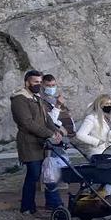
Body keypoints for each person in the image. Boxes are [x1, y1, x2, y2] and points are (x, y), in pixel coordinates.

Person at [11, 70, 62, 220]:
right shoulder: (20, 99)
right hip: (28, 142)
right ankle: (26, 209)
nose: (38, 85)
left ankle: (31, 208)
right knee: (32, 175)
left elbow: (46, 118)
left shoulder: (36, 97)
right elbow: (27, 123)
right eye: (35, 82)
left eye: (40, 82)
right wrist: (49, 133)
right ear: (27, 82)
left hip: (40, 141)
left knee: (36, 175)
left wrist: (55, 131)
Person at [40, 74, 73, 211]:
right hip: (49, 140)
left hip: (61, 140)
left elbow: (66, 118)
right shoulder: (41, 102)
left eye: (53, 85)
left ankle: (51, 202)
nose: (51, 88)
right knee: (50, 173)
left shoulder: (56, 100)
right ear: (43, 86)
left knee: (57, 171)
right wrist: (58, 106)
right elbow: (49, 121)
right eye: (49, 86)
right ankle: (55, 203)